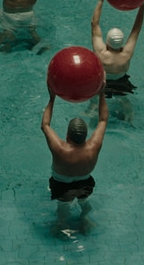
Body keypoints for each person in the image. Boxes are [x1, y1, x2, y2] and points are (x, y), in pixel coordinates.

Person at [42, 90, 109, 233]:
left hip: (62, 186)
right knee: (84, 202)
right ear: (85, 136)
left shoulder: (60, 149)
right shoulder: (93, 146)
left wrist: (52, 97)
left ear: (67, 136)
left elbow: (45, 125)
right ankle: (85, 219)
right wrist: (102, 93)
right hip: (85, 184)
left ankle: (62, 225)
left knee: (63, 207)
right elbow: (103, 120)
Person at [91, 0, 144, 121]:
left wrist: (101, 0)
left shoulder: (101, 52)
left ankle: (92, 113)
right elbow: (136, 28)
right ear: (121, 44)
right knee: (125, 103)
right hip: (121, 84)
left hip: (102, 84)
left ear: (107, 43)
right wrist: (142, 6)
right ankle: (129, 119)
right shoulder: (126, 54)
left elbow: (94, 24)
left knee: (95, 102)